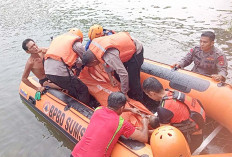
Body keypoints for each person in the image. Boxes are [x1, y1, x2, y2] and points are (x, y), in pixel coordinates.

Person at [71, 92, 149, 157]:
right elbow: (144, 138)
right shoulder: (121, 123)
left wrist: (129, 109)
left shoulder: (98, 110)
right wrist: (145, 122)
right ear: (122, 108)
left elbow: (112, 109)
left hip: (75, 153)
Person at [142, 77, 205, 152]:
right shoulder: (173, 92)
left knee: (161, 140)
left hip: (191, 140)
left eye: (148, 95)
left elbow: (163, 133)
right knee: (154, 120)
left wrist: (145, 131)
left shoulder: (163, 109)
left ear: (152, 93)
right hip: (197, 127)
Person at [82, 32, 144, 102]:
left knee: (133, 80)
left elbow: (123, 74)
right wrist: (110, 77)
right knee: (116, 75)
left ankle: (139, 99)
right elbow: (103, 61)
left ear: (93, 61)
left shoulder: (109, 56)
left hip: (135, 49)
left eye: (93, 65)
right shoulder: (94, 48)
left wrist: (124, 93)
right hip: (120, 50)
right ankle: (127, 89)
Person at [44, 28, 90, 105]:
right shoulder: (76, 43)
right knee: (83, 89)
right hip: (59, 72)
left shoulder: (58, 40)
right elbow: (86, 58)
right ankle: (83, 108)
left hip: (48, 72)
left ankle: (73, 101)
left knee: (72, 86)